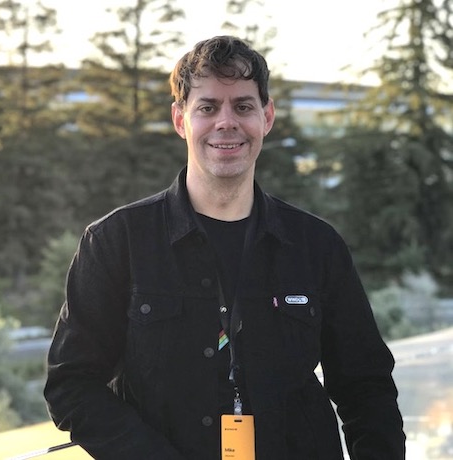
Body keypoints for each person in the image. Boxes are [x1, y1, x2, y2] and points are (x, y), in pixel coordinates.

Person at [44, 35, 406, 459]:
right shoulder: (115, 242)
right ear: (181, 120)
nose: (226, 122)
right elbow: (71, 384)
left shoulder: (317, 245)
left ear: (267, 117)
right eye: (208, 107)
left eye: (244, 106)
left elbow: (367, 387)